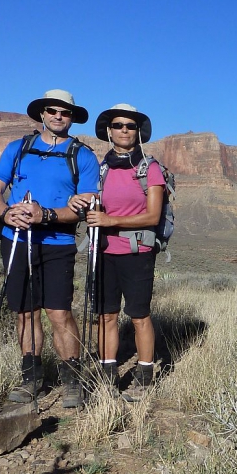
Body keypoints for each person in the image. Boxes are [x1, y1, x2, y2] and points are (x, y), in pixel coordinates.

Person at [0, 89, 99, 408]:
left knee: (59, 312)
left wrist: (45, 214)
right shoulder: (18, 148)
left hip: (58, 243)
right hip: (16, 240)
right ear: (43, 114)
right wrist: (6, 212)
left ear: (72, 118)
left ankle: (72, 379)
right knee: (25, 311)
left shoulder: (84, 156)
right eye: (52, 110)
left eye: (65, 112)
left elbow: (85, 206)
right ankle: (31, 378)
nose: (58, 116)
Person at [86, 103, 165, 401]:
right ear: (109, 130)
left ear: (138, 132)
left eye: (130, 126)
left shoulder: (149, 168)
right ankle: (108, 378)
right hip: (103, 252)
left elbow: (153, 217)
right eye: (118, 125)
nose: (124, 130)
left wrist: (110, 220)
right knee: (106, 316)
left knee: (139, 316)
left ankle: (144, 378)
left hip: (137, 252)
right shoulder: (100, 168)